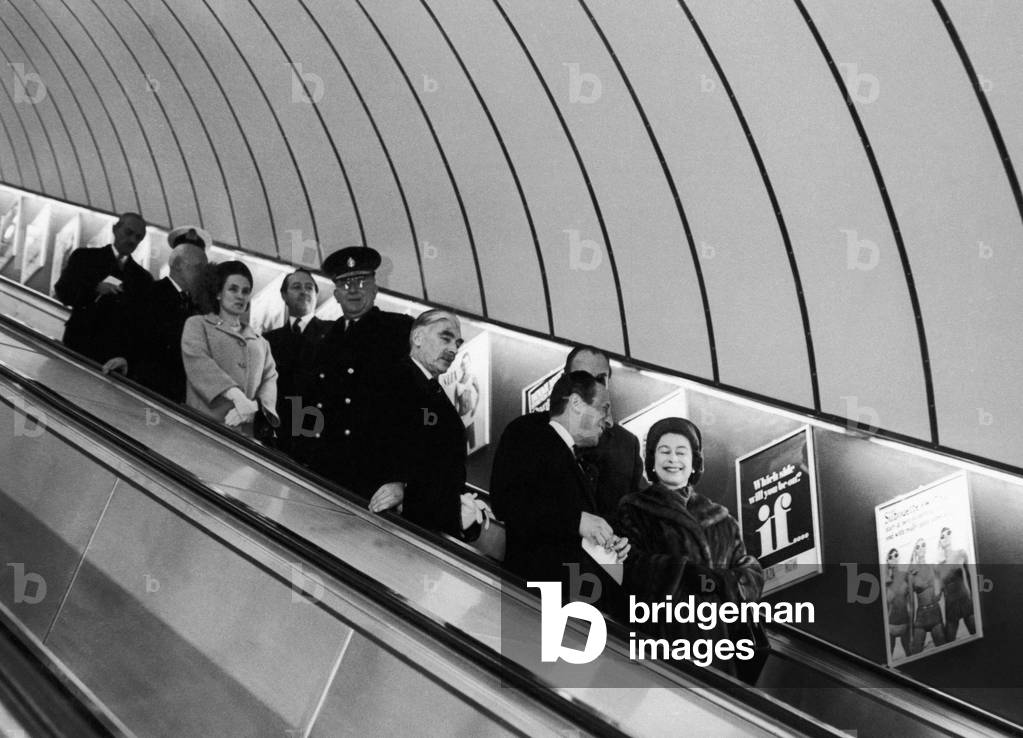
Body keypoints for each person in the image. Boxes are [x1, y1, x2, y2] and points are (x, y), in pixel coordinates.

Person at [615, 417, 764, 674]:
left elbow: (750, 572)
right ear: (652, 459)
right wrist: (683, 572)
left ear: (695, 461)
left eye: (681, 452)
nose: (673, 459)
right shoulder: (634, 508)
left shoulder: (722, 518)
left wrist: (721, 582)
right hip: (662, 638)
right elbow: (628, 566)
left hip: (717, 641)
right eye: (664, 451)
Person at [491, 371, 630, 590]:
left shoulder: (575, 458)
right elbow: (507, 502)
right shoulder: (528, 435)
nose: (609, 420)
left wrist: (607, 541)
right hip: (530, 600)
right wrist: (576, 521)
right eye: (603, 408)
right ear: (576, 403)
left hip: (567, 600)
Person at [291, 246, 412, 492]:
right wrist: (298, 455)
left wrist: (401, 478)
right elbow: (303, 400)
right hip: (325, 467)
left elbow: (413, 408)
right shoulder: (322, 338)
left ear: (375, 287)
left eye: (361, 281)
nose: (354, 290)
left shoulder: (399, 332)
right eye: (346, 284)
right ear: (336, 293)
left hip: (374, 473)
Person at [364, 309, 491, 538]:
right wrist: (402, 488)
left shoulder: (436, 395)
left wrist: (460, 509)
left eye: (457, 343)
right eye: (445, 338)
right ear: (418, 338)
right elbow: (374, 451)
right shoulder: (389, 382)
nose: (453, 349)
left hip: (422, 533)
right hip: (386, 531)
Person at [181, 261, 279, 438]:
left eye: (245, 291)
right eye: (233, 289)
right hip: (202, 430)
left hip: (244, 437)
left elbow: (270, 381)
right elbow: (199, 365)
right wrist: (238, 398)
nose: (240, 296)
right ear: (218, 293)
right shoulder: (197, 324)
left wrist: (254, 408)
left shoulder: (260, 342)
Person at [100, 242, 208, 403]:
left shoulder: (195, 304)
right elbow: (132, 333)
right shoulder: (149, 294)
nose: (202, 275)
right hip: (146, 387)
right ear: (178, 264)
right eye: (199, 268)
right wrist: (126, 359)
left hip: (175, 392)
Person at [54, 212, 153, 363]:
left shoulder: (143, 278)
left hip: (110, 356)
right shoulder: (85, 258)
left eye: (138, 237)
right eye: (128, 233)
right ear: (115, 229)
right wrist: (94, 288)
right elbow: (63, 292)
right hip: (77, 344)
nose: (132, 240)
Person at [564, 346, 645, 518]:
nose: (593, 387)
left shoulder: (627, 445)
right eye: (583, 378)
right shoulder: (537, 434)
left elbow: (634, 512)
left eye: (600, 379)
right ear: (565, 381)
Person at [264, 269, 332, 455]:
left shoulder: (334, 333)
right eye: (296, 287)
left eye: (309, 287)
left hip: (319, 434)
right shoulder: (268, 341)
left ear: (317, 295)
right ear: (284, 296)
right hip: (279, 437)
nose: (304, 291)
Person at [936, 527, 977, 642]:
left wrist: (974, 599)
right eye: (942, 536)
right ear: (940, 542)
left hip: (965, 600)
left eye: (948, 533)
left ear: (952, 536)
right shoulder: (938, 566)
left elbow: (970, 577)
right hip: (950, 605)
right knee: (949, 640)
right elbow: (938, 591)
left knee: (976, 633)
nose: (946, 537)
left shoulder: (961, 553)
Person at [908, 537, 946, 654]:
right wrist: (910, 632)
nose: (921, 548)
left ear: (926, 547)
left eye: (923, 545)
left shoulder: (932, 566)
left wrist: (938, 593)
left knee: (944, 651)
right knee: (916, 652)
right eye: (918, 546)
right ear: (915, 551)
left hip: (935, 612)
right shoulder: (911, 573)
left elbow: (941, 588)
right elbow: (911, 604)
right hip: (921, 616)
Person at [885, 547, 912, 658]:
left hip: (905, 622)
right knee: (889, 655)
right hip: (891, 625)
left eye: (896, 555)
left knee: (909, 652)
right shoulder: (885, 581)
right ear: (888, 561)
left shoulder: (905, 575)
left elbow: (911, 601)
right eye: (890, 557)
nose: (894, 558)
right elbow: (886, 603)